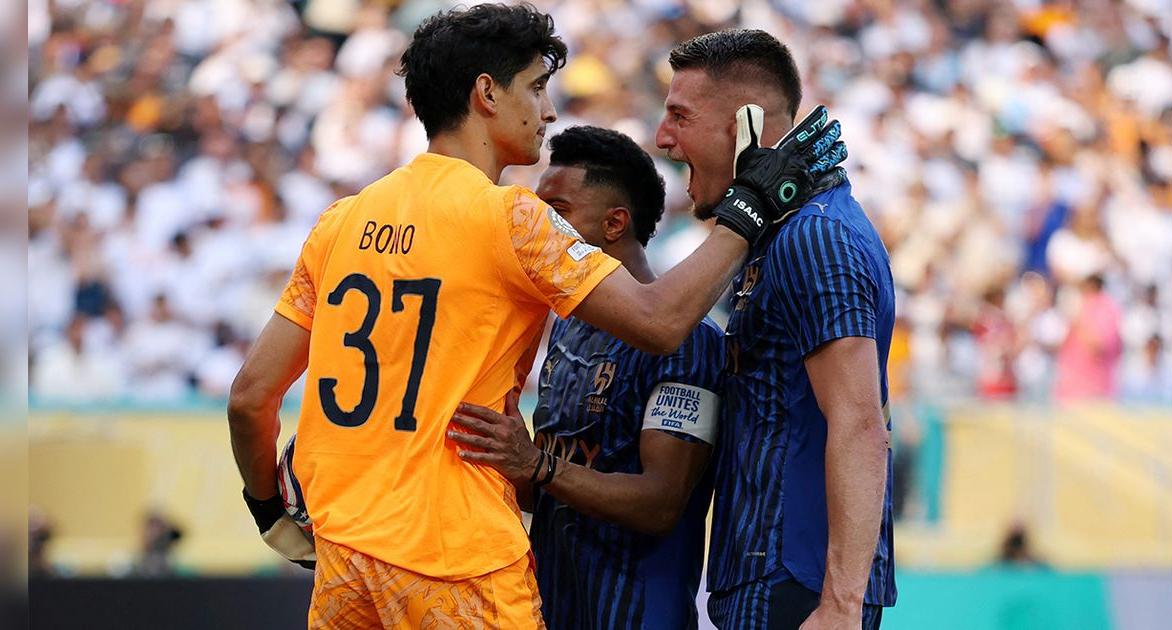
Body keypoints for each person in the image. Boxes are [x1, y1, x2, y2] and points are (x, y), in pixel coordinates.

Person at [226, 5, 843, 628]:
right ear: (487, 93)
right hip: (457, 558)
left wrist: (268, 510)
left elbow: (252, 396)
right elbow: (659, 322)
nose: (547, 111)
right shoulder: (511, 218)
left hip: (344, 560)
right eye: (536, 87)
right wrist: (755, 203)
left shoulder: (340, 221)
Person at [654, 29, 898, 628]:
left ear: (749, 128)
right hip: (769, 577)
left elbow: (862, 422)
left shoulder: (816, 235)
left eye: (681, 117)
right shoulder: (781, 233)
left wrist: (840, 604)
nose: (663, 138)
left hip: (798, 588)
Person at [449, 125, 723, 629]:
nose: (538, 225)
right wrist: (500, 456)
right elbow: (547, 488)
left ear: (615, 223)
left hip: (639, 613)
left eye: (557, 212)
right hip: (550, 608)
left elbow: (661, 503)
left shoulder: (689, 341)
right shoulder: (568, 327)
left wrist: (535, 464)